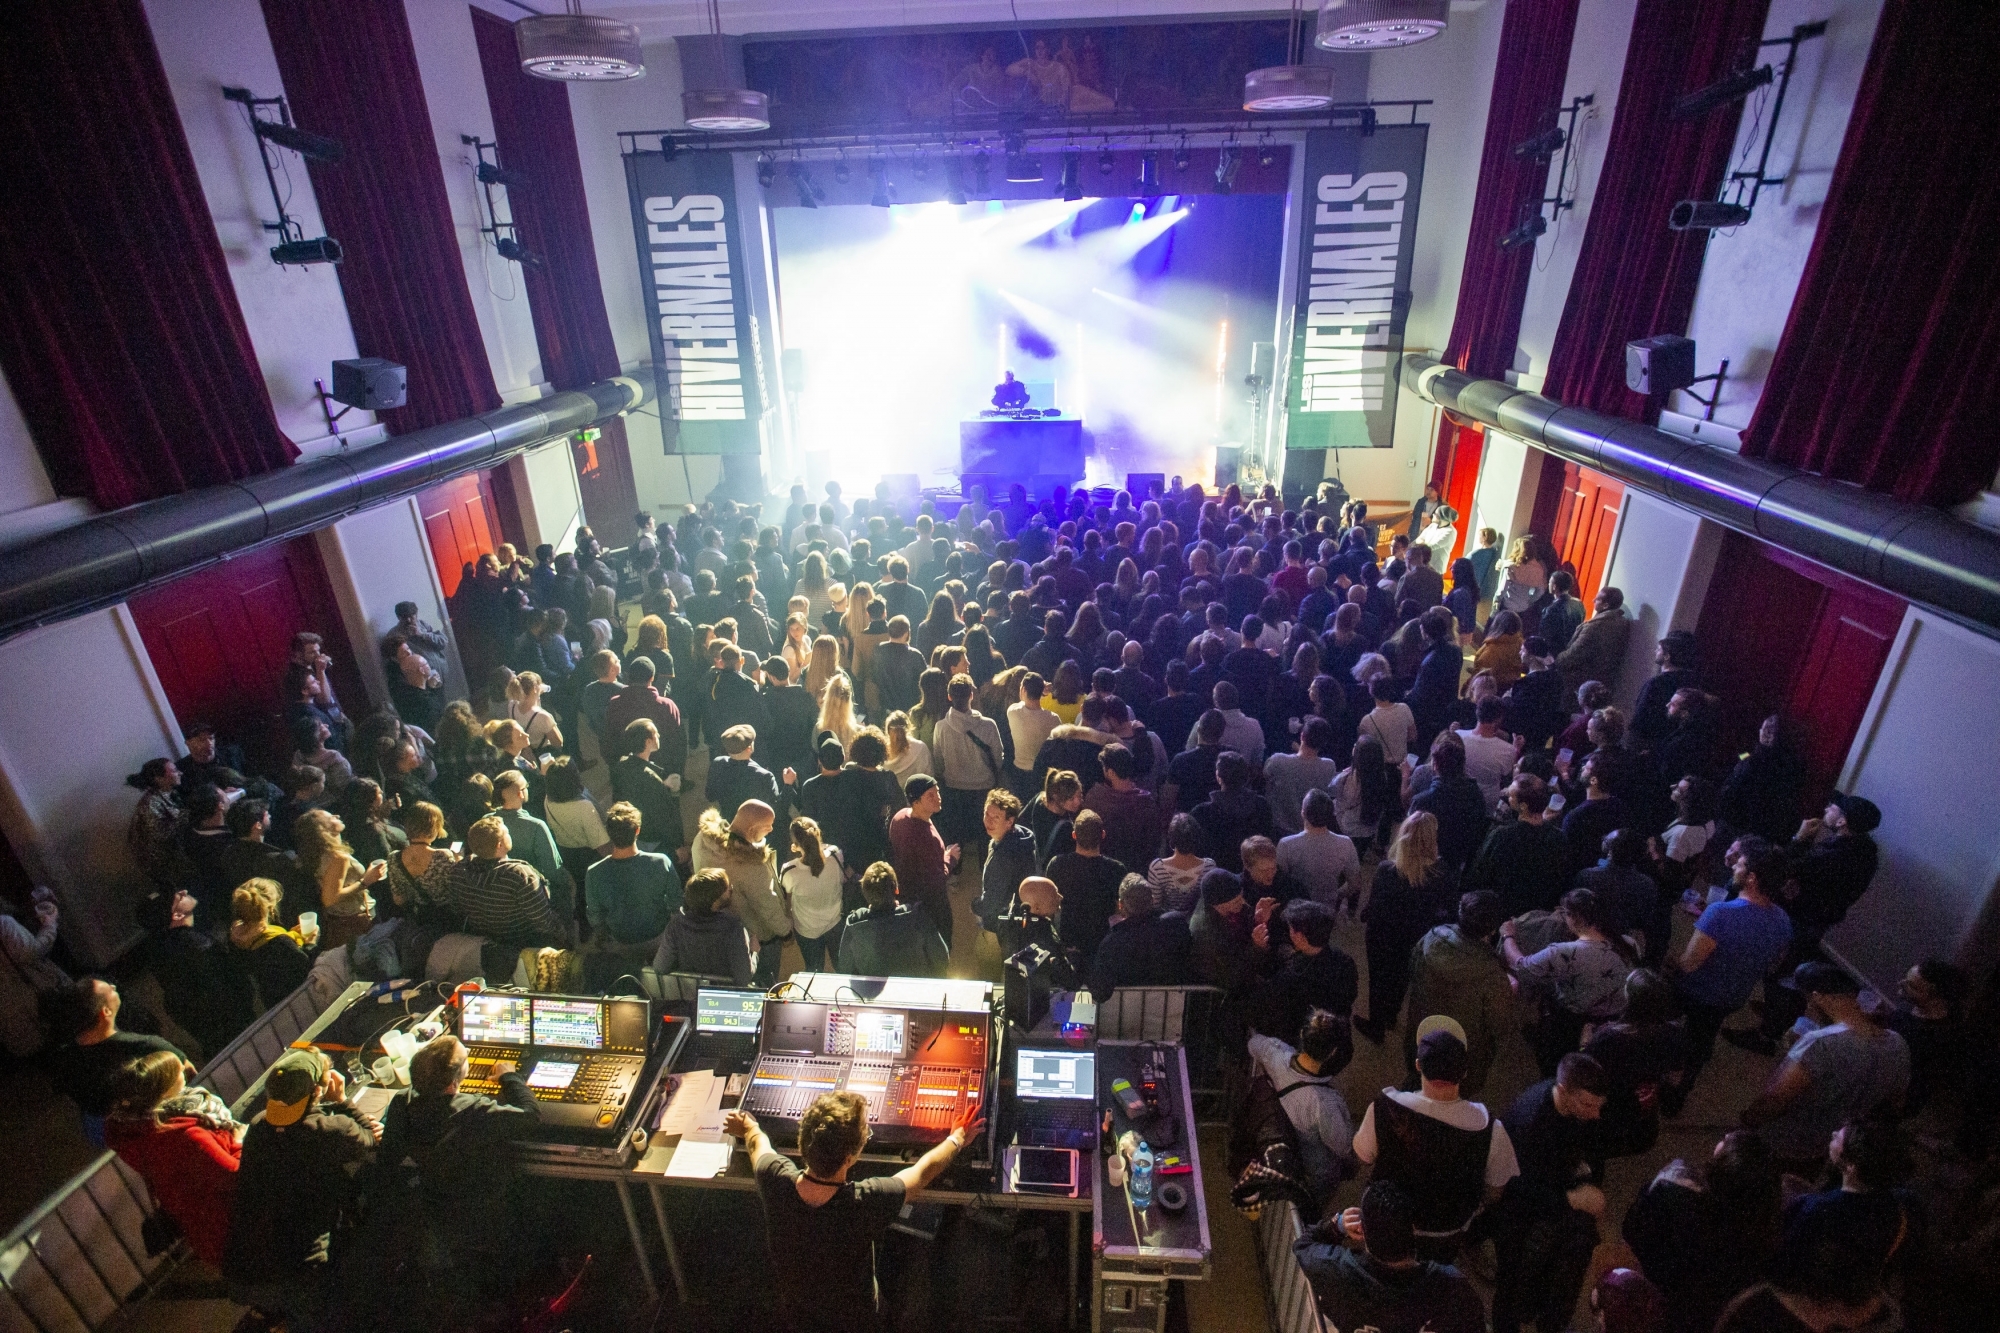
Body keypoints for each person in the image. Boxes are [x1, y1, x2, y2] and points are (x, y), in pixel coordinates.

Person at [728, 1088, 983, 1333]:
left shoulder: (772, 1178)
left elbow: (756, 1143)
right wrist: (957, 1138)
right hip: (858, 1322)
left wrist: (748, 1125)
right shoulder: (866, 1202)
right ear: (849, 1158)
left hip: (799, 1316)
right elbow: (921, 1172)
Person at [223, 1048, 378, 1323]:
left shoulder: (259, 1126)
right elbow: (369, 1140)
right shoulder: (332, 1129)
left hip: (247, 1261)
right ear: (319, 1090)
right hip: (302, 1267)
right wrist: (342, 1100)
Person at [376, 1036, 540, 1291]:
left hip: (441, 1207)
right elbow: (530, 1116)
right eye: (466, 1057)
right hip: (489, 1204)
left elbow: (388, 1159)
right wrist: (509, 1077)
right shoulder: (471, 1109)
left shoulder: (401, 1104)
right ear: (456, 1079)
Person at [1352, 1021, 1520, 1262]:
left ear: (1418, 1065)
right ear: (1464, 1072)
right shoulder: (1489, 1128)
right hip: (1446, 1231)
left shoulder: (1385, 1107)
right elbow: (1495, 1191)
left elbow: (1363, 1157)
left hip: (1387, 1223)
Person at [1740, 962, 1910, 1172]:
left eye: (1806, 998)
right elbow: (1895, 1103)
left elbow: (1775, 1098)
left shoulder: (1820, 1043)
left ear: (1818, 997)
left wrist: (1748, 1121)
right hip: (1830, 1147)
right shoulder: (1897, 1043)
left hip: (1783, 1143)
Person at [1487, 1054, 1612, 1333]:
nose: (1595, 1114)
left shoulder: (1573, 1109)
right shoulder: (1531, 1123)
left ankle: (1538, 1310)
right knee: (1510, 1280)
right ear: (1564, 1091)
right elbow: (1515, 1187)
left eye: (1599, 1106)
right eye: (1588, 1105)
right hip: (1518, 1213)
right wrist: (1574, 1199)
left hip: (1551, 1193)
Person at [1668, 837, 1792, 1108]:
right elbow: (1773, 965)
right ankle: (1696, 1059)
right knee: (1706, 1031)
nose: (1735, 866)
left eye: (1741, 864)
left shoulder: (1720, 913)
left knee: (1686, 1030)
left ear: (1752, 878)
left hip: (1698, 994)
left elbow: (1689, 964)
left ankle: (1677, 1087)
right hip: (1735, 997)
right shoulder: (1783, 920)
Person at [1622, 1130, 1783, 1333]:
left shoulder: (1671, 1186)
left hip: (1654, 1285)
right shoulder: (1762, 1231)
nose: (1723, 1138)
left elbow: (1631, 1230)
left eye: (1726, 1141)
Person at [104, 1050, 241, 1269]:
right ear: (166, 1090)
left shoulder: (133, 1130)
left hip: (206, 1233)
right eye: (179, 1070)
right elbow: (233, 1175)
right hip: (235, 1225)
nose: (186, 1070)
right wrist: (239, 1140)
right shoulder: (182, 1134)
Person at [1293, 1181, 1485, 1333]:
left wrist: (1337, 1226)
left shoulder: (1335, 1270)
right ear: (1412, 1230)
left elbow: (1303, 1246)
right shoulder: (1452, 1288)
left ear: (1363, 1232)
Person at [1503, 886, 1636, 1077]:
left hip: (1568, 1022)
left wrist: (1508, 935)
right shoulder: (1629, 943)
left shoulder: (1565, 952)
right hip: (1608, 1021)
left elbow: (1522, 967)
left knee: (1554, 1065)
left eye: (1565, 913)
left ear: (1575, 918)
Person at [1402, 893, 1514, 1098]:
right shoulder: (1493, 976)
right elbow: (1499, 1025)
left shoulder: (1431, 938)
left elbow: (1412, 970)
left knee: (1418, 1076)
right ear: (1491, 929)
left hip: (1422, 1031)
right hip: (1461, 1052)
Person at [1358, 813, 1456, 1044]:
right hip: (1420, 940)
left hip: (1383, 938)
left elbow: (1375, 908)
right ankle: (1391, 1016)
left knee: (1379, 981)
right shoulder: (1444, 874)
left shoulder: (1386, 871)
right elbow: (1450, 912)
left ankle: (1376, 1026)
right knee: (1402, 978)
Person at [1248, 1009, 1356, 1214]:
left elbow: (1253, 1044)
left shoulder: (1275, 1054)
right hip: (1316, 1172)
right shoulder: (1324, 1104)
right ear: (1333, 1053)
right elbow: (1342, 1146)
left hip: (1289, 1151)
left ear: (1302, 1035)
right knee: (1311, 1210)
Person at [42, 978, 190, 1125]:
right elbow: (191, 1074)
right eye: (109, 990)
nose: (113, 986)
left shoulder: (66, 1064)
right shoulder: (147, 1046)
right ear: (105, 1011)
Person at [693, 802, 788, 988]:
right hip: (753, 937)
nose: (771, 829)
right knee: (765, 982)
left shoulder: (702, 840)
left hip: (714, 930)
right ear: (752, 829)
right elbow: (767, 905)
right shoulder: (751, 865)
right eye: (767, 825)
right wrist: (785, 930)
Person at [441, 814, 571, 950]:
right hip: (524, 942)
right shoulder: (519, 875)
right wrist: (562, 936)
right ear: (499, 844)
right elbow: (542, 919)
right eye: (507, 833)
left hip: (487, 942)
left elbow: (457, 908)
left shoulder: (459, 871)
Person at [585, 801, 680, 957]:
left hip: (620, 943)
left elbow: (595, 917)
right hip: (659, 940)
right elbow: (676, 904)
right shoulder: (661, 862)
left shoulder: (593, 872)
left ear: (609, 832)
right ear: (637, 831)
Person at [840, 862, 949, 978]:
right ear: (896, 889)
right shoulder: (917, 917)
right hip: (914, 992)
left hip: (871, 995)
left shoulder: (854, 925)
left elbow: (844, 968)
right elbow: (941, 959)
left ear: (865, 893)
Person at [1087, 875, 1191, 996]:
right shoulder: (1175, 926)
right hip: (1173, 1010)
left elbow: (1100, 992)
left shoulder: (1112, 942)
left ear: (1120, 905)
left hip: (1129, 1011)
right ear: (1152, 900)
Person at [652, 867, 754, 985]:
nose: (731, 889)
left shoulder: (676, 925)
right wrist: (753, 952)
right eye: (727, 889)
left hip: (687, 998)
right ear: (715, 899)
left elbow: (660, 967)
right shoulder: (734, 927)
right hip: (721, 998)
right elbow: (744, 977)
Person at [227, 879, 313, 1011]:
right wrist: (310, 943)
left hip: (272, 1005)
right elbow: (307, 967)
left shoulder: (235, 938)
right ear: (271, 908)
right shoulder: (279, 942)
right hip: (298, 1003)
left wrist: (292, 937)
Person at [1277, 788, 1362, 912]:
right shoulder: (1345, 843)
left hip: (1297, 907)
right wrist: (1337, 894)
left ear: (1303, 813)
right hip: (1327, 907)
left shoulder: (1286, 844)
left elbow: (1281, 882)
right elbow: (1355, 883)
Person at [1081, 743, 1162, 871]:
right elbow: (1154, 843)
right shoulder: (1147, 802)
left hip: (1104, 870)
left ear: (1111, 772)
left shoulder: (1095, 798)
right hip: (1139, 870)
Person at [782, 816, 847, 971]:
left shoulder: (789, 870)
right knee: (842, 967)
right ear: (818, 834)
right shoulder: (836, 855)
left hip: (807, 929)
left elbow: (787, 894)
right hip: (835, 922)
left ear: (795, 845)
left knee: (813, 969)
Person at [1265, 716, 1340, 838]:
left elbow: (1265, 775)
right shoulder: (1329, 766)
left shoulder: (1278, 761)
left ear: (1302, 736)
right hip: (1310, 828)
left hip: (1279, 826)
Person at [975, 789, 1035, 932]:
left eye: (996, 817)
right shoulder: (1020, 836)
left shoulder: (1004, 857)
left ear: (1010, 822)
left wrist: (975, 906)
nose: (988, 821)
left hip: (1003, 925)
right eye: (986, 814)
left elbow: (991, 903)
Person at [1557, 586, 1632, 695]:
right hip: (1601, 682)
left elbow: (1574, 654)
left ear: (1606, 605)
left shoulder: (1594, 626)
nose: (1593, 600)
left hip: (1580, 683)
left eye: (1597, 599)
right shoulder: (1622, 624)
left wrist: (1556, 659)